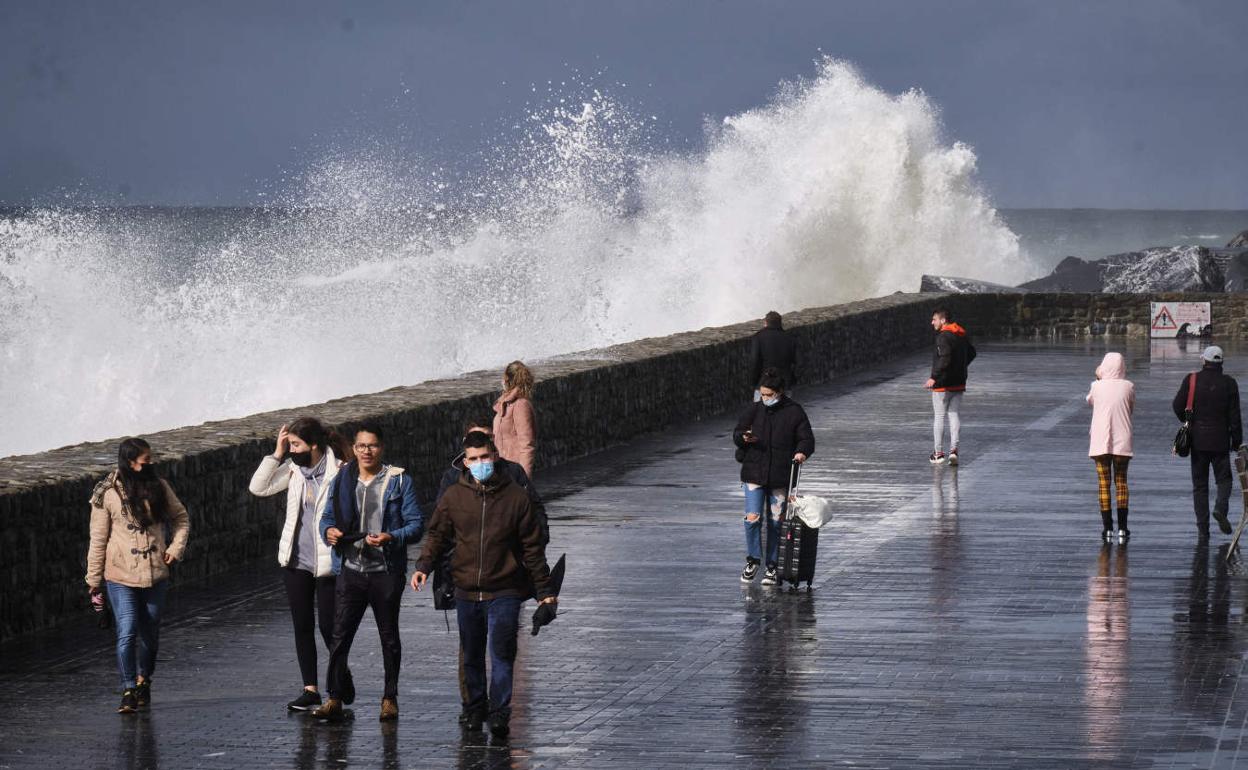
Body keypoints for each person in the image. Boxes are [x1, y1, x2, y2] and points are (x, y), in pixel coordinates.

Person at [411, 431, 556, 738]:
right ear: (465, 462)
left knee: (502, 652)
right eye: (474, 459)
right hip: (466, 589)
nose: (480, 463)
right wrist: (424, 566)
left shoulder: (516, 497)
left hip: (505, 588)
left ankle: (500, 712)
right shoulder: (454, 497)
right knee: (472, 655)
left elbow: (532, 548)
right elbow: (437, 535)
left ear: (495, 456)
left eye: (484, 457)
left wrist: (545, 592)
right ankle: (475, 708)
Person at [312, 425, 424, 722]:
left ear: (382, 448)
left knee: (389, 638)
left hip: (385, 572)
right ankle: (334, 697)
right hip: (350, 569)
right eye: (361, 446)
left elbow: (416, 525)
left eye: (372, 446)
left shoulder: (399, 481)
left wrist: (391, 536)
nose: (366, 451)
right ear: (354, 447)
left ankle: (389, 698)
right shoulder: (342, 480)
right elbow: (326, 518)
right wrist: (329, 531)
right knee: (339, 637)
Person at [248, 416, 351, 711]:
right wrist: (277, 453)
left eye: (296, 444)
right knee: (302, 625)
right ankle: (310, 689)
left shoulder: (341, 471)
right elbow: (259, 487)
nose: (292, 449)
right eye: (290, 444)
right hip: (295, 560)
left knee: (330, 628)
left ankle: (340, 680)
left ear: (314, 444)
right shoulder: (294, 470)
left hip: (329, 562)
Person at [85, 437, 191, 714]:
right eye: (146, 460)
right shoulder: (107, 492)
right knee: (127, 630)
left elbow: (181, 518)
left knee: (150, 632)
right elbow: (98, 539)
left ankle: (144, 679)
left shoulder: (159, 486)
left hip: (155, 572)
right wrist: (93, 580)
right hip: (120, 574)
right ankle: (128, 688)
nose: (150, 464)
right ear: (130, 462)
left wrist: (175, 548)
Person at [732, 367, 815, 586]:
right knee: (752, 518)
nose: (765, 398)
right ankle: (753, 560)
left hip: (780, 475)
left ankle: (772, 565)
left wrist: (801, 452)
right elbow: (737, 433)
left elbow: (807, 439)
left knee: (777, 521)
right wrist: (743, 438)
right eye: (762, 394)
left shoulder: (794, 412)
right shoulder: (753, 410)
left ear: (779, 392)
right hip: (754, 472)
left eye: (769, 395)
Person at [1173, 346, 1243, 538]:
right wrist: (1236, 442)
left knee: (1200, 486)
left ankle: (1203, 530)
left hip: (1198, 441)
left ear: (1204, 361)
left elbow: (1177, 406)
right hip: (1220, 441)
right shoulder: (1229, 383)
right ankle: (1220, 508)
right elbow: (1235, 417)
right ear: (1221, 362)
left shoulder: (1192, 380)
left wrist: (1188, 421)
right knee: (1224, 480)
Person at [1086, 353, 1135, 542]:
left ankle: (1107, 528)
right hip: (1122, 441)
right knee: (1121, 482)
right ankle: (1123, 528)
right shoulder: (1128, 386)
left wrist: (1099, 377)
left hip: (1100, 442)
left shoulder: (1096, 386)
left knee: (1103, 484)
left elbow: (1090, 400)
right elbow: (1130, 408)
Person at [924, 307, 976, 465]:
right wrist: (960, 367)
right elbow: (972, 353)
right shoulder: (961, 334)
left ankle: (938, 453)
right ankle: (954, 450)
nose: (932, 322)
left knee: (939, 416)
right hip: (959, 382)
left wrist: (933, 377)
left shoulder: (943, 337)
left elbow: (945, 358)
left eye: (934, 319)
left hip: (943, 383)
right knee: (954, 415)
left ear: (943, 320)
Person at [494, 360, 537, 479]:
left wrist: (524, 479)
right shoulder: (505, 404)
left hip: (514, 473)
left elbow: (527, 445)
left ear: (506, 379)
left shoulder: (521, 405)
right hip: (501, 471)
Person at [749, 311, 798, 400]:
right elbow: (797, 362)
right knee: (784, 408)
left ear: (766, 322)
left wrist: (753, 381)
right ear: (780, 323)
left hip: (764, 383)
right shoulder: (790, 338)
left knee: (760, 408)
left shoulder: (758, 337)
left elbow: (754, 361)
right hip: (784, 384)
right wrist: (792, 379)